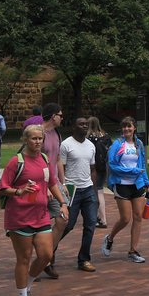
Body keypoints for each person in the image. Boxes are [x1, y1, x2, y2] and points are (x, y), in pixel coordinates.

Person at [0, 124, 68, 296]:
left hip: (41, 215)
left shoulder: (44, 159)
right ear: (25, 140)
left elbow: (52, 183)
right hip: (19, 217)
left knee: (46, 255)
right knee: (24, 258)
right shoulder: (16, 162)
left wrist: (63, 203)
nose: (37, 142)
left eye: (40, 139)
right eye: (34, 139)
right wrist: (19, 191)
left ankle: (27, 285)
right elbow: (3, 188)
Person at [101, 116, 149, 264]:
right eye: (124, 127)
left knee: (138, 217)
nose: (126, 129)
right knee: (125, 218)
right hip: (121, 184)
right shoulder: (117, 144)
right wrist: (132, 172)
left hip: (137, 184)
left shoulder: (139, 144)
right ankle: (109, 238)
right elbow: (112, 165)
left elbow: (142, 166)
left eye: (129, 126)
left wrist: (147, 182)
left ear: (134, 127)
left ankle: (133, 251)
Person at [57, 116, 98, 272]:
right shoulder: (66, 145)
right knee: (67, 225)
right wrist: (63, 188)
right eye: (81, 124)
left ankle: (84, 259)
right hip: (72, 189)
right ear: (73, 126)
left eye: (86, 125)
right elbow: (61, 168)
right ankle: (49, 252)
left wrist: (94, 190)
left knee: (91, 224)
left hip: (88, 189)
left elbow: (93, 168)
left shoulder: (90, 145)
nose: (84, 127)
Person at [39, 102, 67, 279]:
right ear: (52, 116)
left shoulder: (57, 134)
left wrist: (63, 183)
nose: (62, 118)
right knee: (37, 226)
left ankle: (47, 257)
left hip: (54, 184)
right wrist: (44, 184)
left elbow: (57, 160)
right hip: (39, 186)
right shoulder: (38, 133)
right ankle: (42, 259)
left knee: (62, 220)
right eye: (60, 115)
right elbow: (34, 160)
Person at [86, 116, 112, 227]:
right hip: (103, 167)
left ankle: (101, 218)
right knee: (100, 191)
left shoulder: (88, 138)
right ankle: (101, 217)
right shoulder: (105, 136)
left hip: (93, 168)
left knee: (96, 192)